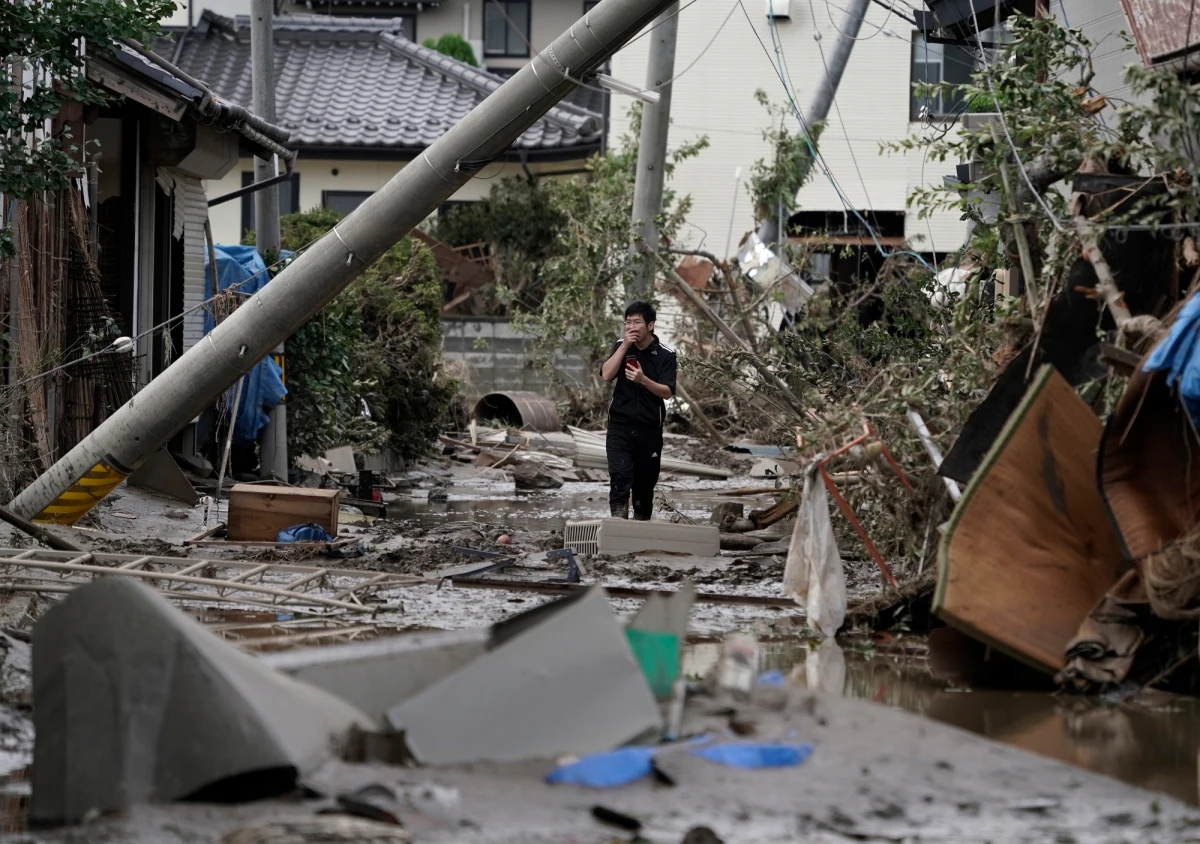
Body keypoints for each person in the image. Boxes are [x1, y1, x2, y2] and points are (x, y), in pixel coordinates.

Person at [600, 301, 677, 520]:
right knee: (620, 478)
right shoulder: (620, 346)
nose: (631, 327)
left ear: (650, 325)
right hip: (619, 427)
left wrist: (643, 380)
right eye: (627, 322)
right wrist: (624, 346)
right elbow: (606, 375)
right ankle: (617, 526)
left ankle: (640, 531)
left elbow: (667, 391)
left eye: (637, 322)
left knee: (644, 487)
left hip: (649, 430)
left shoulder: (666, 354)